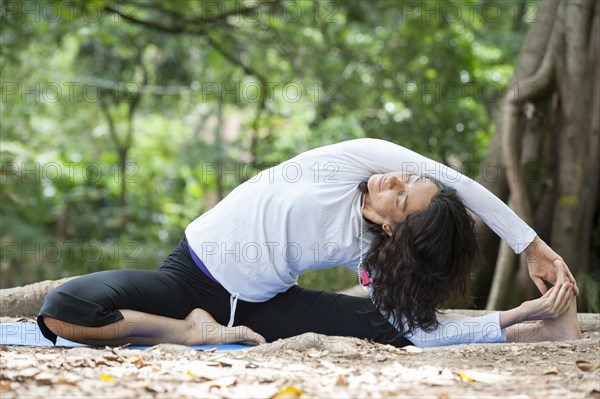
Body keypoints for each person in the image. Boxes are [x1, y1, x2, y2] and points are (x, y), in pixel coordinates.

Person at [38, 138, 582, 348]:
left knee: (393, 331)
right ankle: (184, 332)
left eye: (401, 194)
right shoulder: (352, 160)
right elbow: (457, 182)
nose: (392, 178)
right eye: (404, 177)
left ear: (393, 228)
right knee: (65, 307)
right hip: (189, 278)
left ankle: (540, 331)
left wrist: (515, 313)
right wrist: (529, 244)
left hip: (265, 305)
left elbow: (418, 328)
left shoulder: (373, 250)